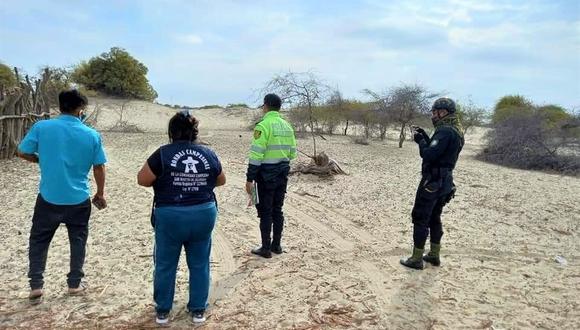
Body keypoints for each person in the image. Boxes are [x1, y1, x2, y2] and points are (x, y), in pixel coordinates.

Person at [17, 89, 107, 304]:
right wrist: (100, 193)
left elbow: (21, 151)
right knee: (77, 241)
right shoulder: (91, 134)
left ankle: (36, 285)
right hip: (79, 198)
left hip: (48, 197)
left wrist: (39, 160)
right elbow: (99, 167)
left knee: (39, 240)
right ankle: (74, 284)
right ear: (81, 109)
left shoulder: (42, 127)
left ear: (60, 106)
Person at [137, 111, 226, 325]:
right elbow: (221, 180)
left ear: (171, 132)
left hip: (171, 215)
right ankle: (198, 310)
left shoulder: (162, 154)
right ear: (194, 132)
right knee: (200, 263)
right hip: (203, 213)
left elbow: (142, 179)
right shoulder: (208, 153)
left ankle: (163, 311)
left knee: (165, 263)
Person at [400, 97, 464, 270]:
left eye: (435, 112)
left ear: (443, 112)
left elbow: (428, 155)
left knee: (420, 217)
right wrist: (426, 137)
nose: (433, 115)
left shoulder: (444, 131)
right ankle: (434, 255)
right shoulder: (456, 131)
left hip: (432, 182)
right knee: (435, 217)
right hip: (446, 182)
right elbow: (438, 152)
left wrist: (420, 141)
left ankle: (416, 259)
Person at [245, 93, 297, 258]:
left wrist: (249, 178)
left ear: (265, 106)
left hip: (265, 175)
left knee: (265, 212)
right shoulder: (287, 126)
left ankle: (266, 248)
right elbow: (292, 154)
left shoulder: (263, 126)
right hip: (282, 173)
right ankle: (277, 246)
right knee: (278, 210)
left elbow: (256, 155)